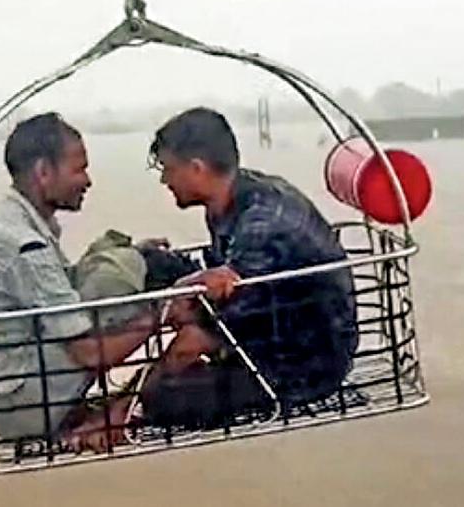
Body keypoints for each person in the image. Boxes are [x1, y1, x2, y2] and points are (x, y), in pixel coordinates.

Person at [0, 113, 164, 448]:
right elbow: (87, 354)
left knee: (120, 261)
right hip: (17, 405)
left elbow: (59, 291)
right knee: (116, 278)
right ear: (44, 172)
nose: (87, 180)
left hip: (8, 384)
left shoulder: (14, 218)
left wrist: (137, 255)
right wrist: (164, 313)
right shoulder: (22, 244)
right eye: (79, 169)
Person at [138, 107, 358, 428]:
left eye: (168, 170)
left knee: (162, 398)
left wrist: (129, 402)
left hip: (301, 360)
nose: (164, 179)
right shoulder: (230, 197)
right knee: (150, 264)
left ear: (197, 168)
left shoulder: (263, 221)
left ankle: (127, 402)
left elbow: (197, 338)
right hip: (262, 315)